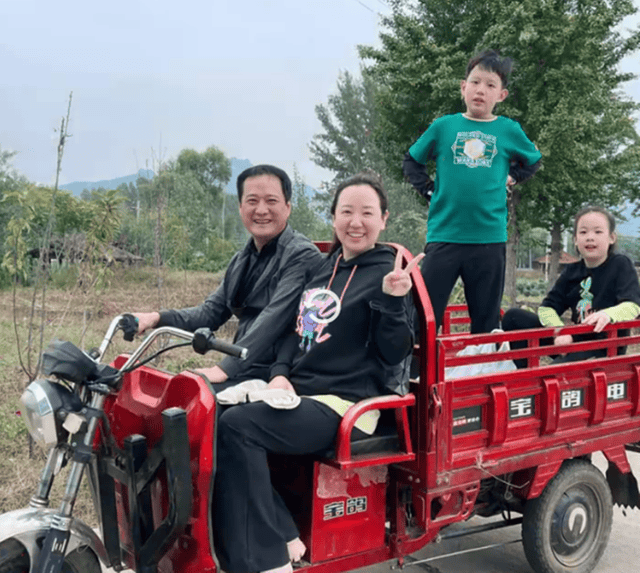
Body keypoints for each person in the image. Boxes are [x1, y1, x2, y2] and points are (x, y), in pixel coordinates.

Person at [212, 173, 423, 573]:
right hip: (300, 394)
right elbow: (296, 333)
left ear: (384, 220)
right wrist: (279, 373)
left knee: (239, 426)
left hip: (346, 404)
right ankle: (283, 530)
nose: (355, 222)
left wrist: (395, 302)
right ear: (334, 218)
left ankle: (271, 556)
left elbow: (394, 351)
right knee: (214, 417)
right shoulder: (325, 269)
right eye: (347, 211)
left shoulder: (389, 274)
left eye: (367, 213)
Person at [132, 164, 323, 389]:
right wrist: (155, 318)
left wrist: (225, 368)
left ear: (288, 207)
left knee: (195, 408)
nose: (261, 210)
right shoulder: (241, 260)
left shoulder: (301, 255)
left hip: (281, 374)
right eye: (252, 201)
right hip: (247, 367)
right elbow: (210, 313)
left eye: (271, 201)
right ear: (241, 207)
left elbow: (274, 317)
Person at [403, 49, 542, 334]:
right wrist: (428, 191)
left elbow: (534, 160)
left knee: (486, 322)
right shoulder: (444, 126)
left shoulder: (508, 130)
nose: (481, 90)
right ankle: (418, 375)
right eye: (475, 82)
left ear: (501, 95)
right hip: (444, 235)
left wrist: (512, 177)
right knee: (425, 317)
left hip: (489, 239)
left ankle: (482, 376)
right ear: (463, 87)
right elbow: (412, 160)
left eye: (490, 85)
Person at [502, 206, 640, 367]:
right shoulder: (572, 271)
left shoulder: (620, 264)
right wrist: (560, 332)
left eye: (597, 232)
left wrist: (607, 315)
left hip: (602, 347)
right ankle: (524, 379)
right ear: (575, 239)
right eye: (583, 232)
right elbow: (548, 307)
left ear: (611, 238)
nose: (590, 238)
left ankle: (542, 379)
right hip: (572, 340)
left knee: (556, 373)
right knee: (513, 317)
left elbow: (633, 305)